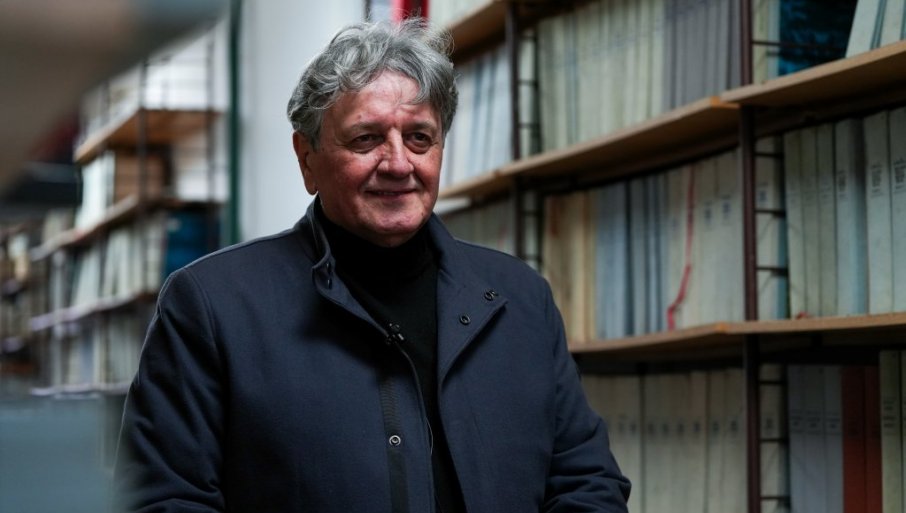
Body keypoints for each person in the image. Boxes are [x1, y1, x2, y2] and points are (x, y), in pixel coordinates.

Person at [113, 18, 630, 513]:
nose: (399, 163)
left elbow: (586, 482)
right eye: (366, 139)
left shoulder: (521, 299)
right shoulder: (210, 305)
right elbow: (163, 500)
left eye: (420, 137)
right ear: (307, 158)